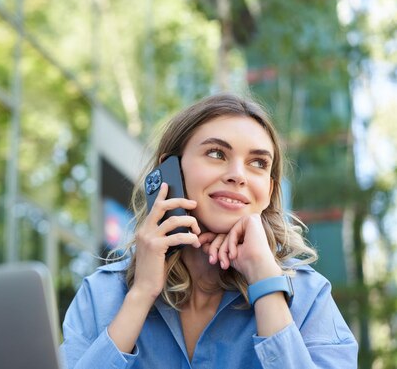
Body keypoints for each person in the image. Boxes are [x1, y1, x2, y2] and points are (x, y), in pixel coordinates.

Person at [60, 94, 358, 368]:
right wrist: (141, 294)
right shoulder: (102, 294)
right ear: (169, 171)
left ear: (269, 190)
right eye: (216, 154)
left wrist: (266, 284)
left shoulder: (309, 297)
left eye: (258, 163)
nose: (238, 176)